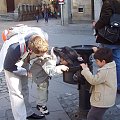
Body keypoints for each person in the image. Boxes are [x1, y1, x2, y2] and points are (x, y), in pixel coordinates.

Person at [0, 25, 52, 120]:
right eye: (38, 55)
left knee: (24, 88)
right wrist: (25, 72)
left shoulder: (43, 36)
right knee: (16, 92)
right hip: (11, 63)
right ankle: (21, 118)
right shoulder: (14, 47)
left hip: (24, 57)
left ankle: (28, 113)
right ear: (31, 51)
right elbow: (8, 66)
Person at [29, 46, 83, 115]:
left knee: (44, 88)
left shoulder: (57, 55)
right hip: (39, 75)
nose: (69, 64)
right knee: (43, 88)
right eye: (68, 62)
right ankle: (41, 105)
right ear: (63, 59)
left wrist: (77, 58)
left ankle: (41, 103)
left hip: (42, 72)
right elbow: (50, 71)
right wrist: (60, 68)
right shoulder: (48, 59)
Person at [80, 48, 117, 120]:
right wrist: (97, 52)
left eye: (97, 61)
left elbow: (93, 80)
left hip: (102, 101)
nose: (96, 63)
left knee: (92, 117)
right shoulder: (111, 65)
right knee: (97, 116)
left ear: (103, 61)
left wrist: (85, 70)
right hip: (106, 99)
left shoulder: (105, 71)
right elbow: (104, 55)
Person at [92, 0, 120, 94]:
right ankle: (118, 85)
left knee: (105, 61)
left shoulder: (109, 3)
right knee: (118, 61)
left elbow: (105, 19)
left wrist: (96, 25)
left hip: (109, 37)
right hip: (118, 38)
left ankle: (108, 83)